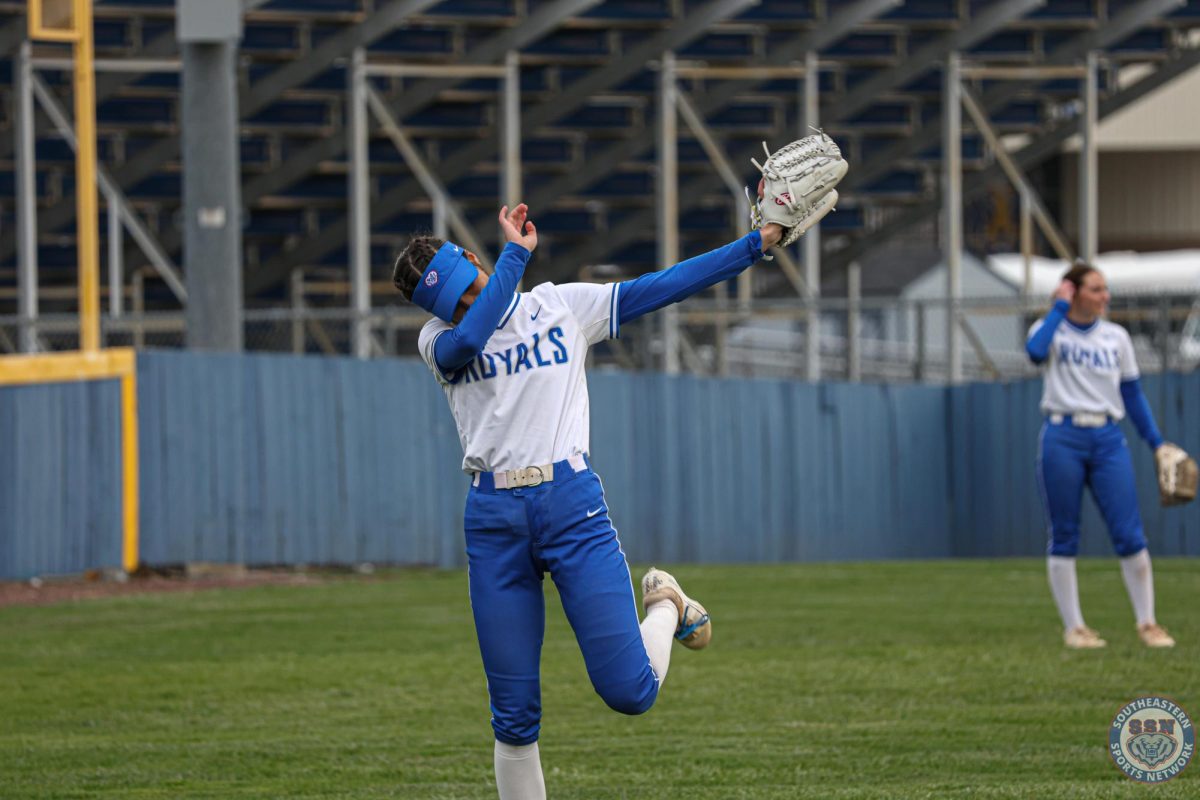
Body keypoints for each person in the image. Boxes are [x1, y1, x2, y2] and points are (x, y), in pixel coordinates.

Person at [391, 203, 796, 799]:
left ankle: (666, 607)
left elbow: (666, 285)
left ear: (474, 261)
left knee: (630, 693)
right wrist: (515, 258)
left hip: (569, 504)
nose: (467, 308)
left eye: (469, 290)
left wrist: (754, 244)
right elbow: (470, 336)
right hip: (494, 520)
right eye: (452, 305)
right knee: (513, 717)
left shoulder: (558, 307)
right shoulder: (439, 339)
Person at [1025, 261, 1176, 650]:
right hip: (1063, 434)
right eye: (1095, 289)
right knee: (1064, 533)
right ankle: (1075, 628)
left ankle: (1148, 623)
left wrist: (1156, 442)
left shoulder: (1116, 337)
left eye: (1105, 289)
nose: (1105, 296)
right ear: (1073, 292)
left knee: (1129, 532)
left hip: (1108, 437)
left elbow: (1132, 394)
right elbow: (1034, 353)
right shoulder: (1050, 328)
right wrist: (1059, 307)